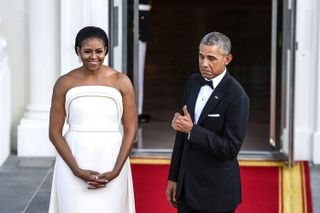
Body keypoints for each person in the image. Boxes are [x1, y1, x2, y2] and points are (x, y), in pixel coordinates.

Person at [48, 26, 137, 213]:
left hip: (112, 159)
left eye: (99, 51)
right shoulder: (64, 82)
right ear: (78, 51)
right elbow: (54, 133)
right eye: (87, 51)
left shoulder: (121, 81)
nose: (93, 56)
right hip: (73, 159)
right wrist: (76, 170)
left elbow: (131, 130)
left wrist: (116, 170)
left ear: (106, 50)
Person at [166, 32, 249, 213]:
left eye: (211, 58)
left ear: (227, 59)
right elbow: (181, 136)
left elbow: (230, 148)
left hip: (216, 194)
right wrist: (173, 178)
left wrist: (192, 130)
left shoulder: (237, 96)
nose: (204, 63)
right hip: (186, 188)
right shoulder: (193, 82)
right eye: (201, 56)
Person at [137, 0, 152, 123]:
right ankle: (136, 110)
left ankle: (138, 110)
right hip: (137, 22)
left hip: (142, 21)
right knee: (137, 70)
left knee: (139, 71)